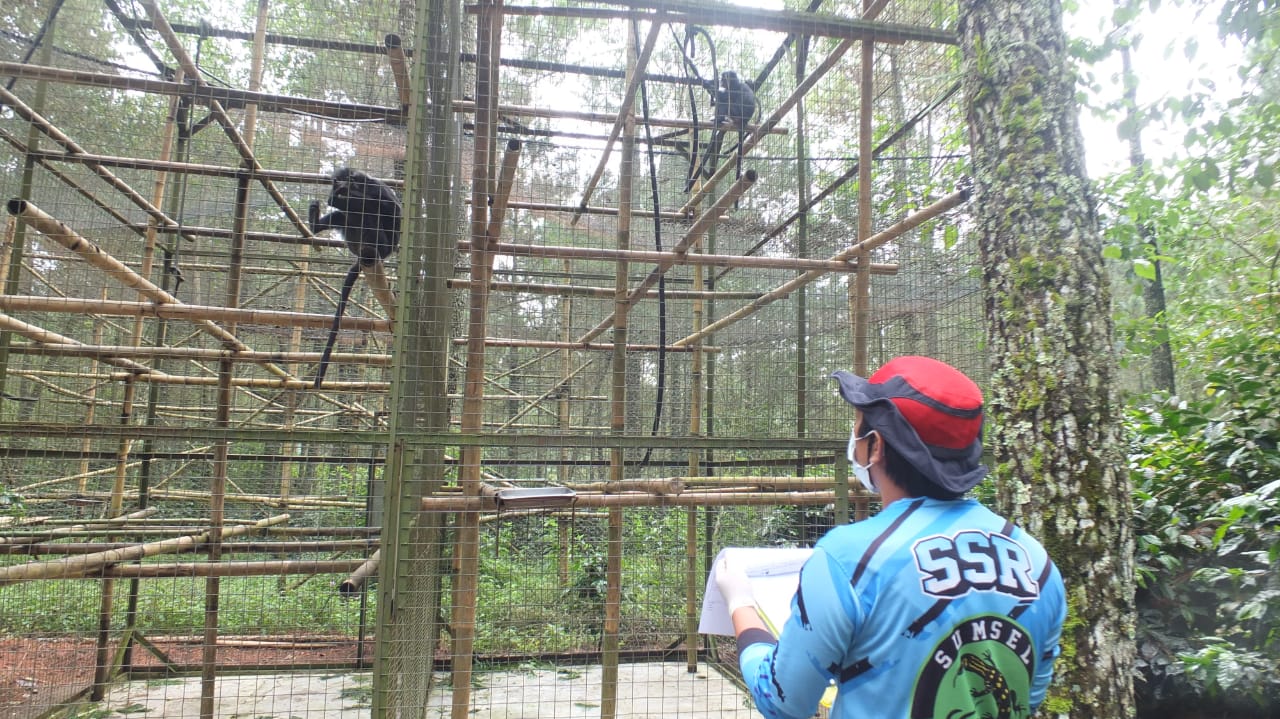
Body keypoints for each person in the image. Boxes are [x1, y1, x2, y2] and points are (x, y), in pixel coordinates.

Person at [715, 356, 1067, 719]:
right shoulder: (1039, 566)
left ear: (876, 445)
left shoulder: (848, 559)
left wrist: (741, 605)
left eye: (857, 425)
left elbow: (781, 701)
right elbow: (1027, 697)